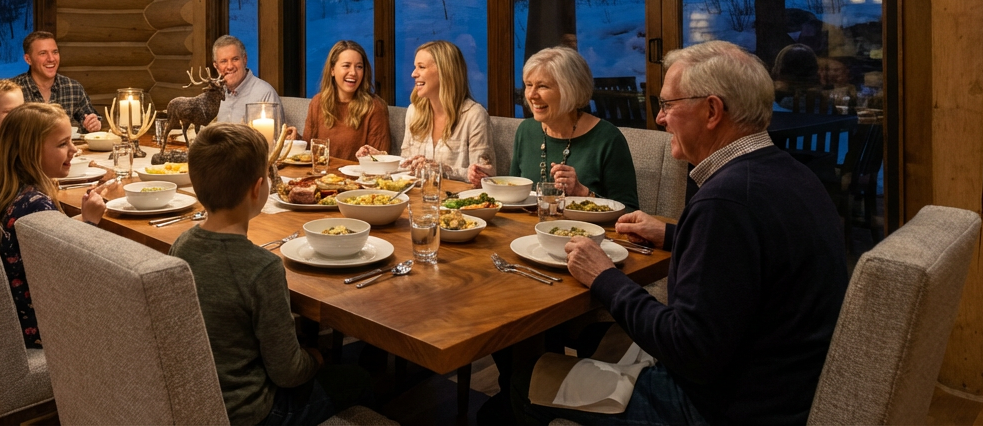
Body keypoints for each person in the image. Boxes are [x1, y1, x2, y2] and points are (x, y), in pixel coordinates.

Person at [521, 40, 848, 426]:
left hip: (721, 406)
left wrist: (603, 277)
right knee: (595, 339)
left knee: (531, 379)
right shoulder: (789, 174)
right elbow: (751, 259)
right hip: (785, 387)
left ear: (712, 110)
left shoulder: (726, 203)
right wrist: (673, 234)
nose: (659, 120)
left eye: (668, 106)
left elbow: (686, 349)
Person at [171, 123, 373, 425]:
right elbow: (288, 372)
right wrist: (314, 359)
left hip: (199, 401)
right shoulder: (261, 267)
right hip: (254, 412)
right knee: (357, 377)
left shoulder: (181, 246)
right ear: (258, 189)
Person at [0, 102, 106, 348]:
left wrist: (79, 219)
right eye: (62, 144)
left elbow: (42, 242)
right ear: (30, 152)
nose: (74, 150)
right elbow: (69, 271)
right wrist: (90, 222)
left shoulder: (5, 194)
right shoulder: (36, 205)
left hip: (14, 317)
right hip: (42, 328)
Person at [498, 47, 639, 210]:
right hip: (528, 232)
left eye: (542, 86)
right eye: (529, 85)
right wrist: (490, 184)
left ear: (570, 90)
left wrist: (583, 193)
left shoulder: (607, 138)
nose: (531, 95)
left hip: (587, 233)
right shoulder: (526, 130)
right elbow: (514, 197)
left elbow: (630, 211)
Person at [355, 40, 492, 183]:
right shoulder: (414, 111)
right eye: (415, 67)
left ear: (444, 71)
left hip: (456, 201)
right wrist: (380, 158)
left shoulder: (474, 115)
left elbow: (482, 175)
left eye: (421, 67)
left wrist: (441, 169)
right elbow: (407, 165)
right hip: (416, 198)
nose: (413, 74)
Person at [302, 40, 391, 161]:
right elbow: (307, 152)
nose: (353, 72)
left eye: (359, 67)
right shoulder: (317, 102)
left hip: (356, 178)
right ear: (332, 70)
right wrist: (294, 139)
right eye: (346, 65)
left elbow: (379, 161)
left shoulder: (375, 107)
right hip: (319, 177)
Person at [11, 31, 102, 132]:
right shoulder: (12, 90)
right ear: (28, 59)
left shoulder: (73, 87)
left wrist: (93, 124)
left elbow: (91, 118)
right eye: (43, 53)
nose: (51, 58)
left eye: (55, 52)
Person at [212, 35, 283, 124]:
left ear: (244, 60)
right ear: (216, 66)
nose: (230, 66)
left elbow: (275, 136)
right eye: (224, 61)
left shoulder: (265, 94)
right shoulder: (214, 96)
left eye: (235, 59)